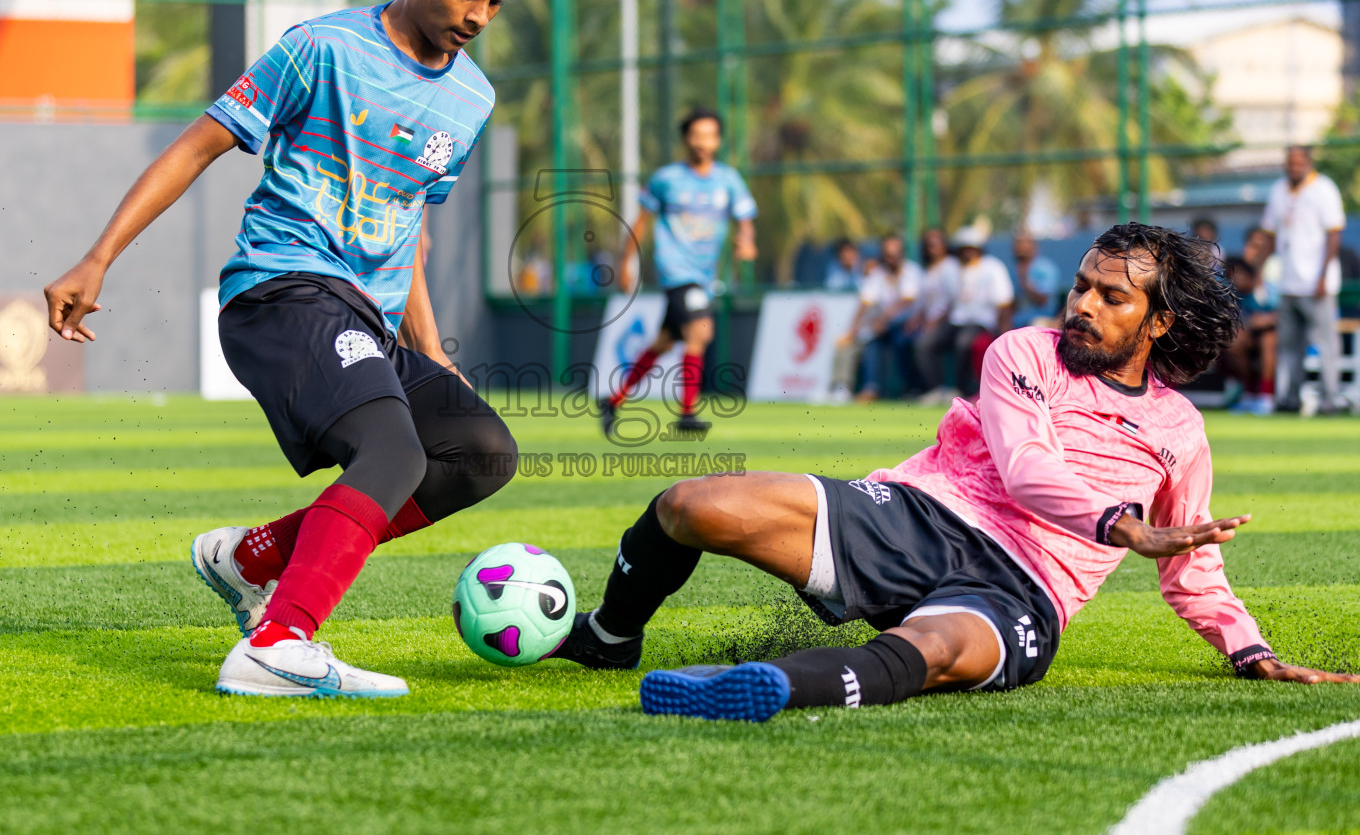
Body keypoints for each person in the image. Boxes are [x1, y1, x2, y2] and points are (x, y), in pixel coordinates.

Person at [548, 224, 1358, 720]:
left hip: (1025, 589)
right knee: (691, 504)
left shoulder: (1179, 428)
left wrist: (1248, 649)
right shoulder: (1023, 351)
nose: (1082, 304)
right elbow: (1026, 465)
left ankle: (760, 687)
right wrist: (1122, 526)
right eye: (1080, 285)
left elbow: (1195, 569)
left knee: (932, 650)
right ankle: (613, 637)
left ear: (1158, 320)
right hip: (918, 515)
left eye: (1110, 297)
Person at [42, 0, 530, 698]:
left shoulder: (470, 98)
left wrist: (433, 351)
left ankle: (253, 561)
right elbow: (196, 148)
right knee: (393, 450)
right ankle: (280, 641)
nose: (478, 16)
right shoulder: (322, 49)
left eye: (496, 2)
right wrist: (98, 258)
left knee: (480, 453)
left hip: (365, 319)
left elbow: (407, 223)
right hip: (282, 293)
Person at [601, 108, 758, 435]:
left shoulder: (728, 180)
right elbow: (641, 223)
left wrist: (746, 241)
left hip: (704, 275)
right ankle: (687, 412)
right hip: (676, 272)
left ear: (718, 140)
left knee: (662, 342)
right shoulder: (667, 179)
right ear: (686, 138)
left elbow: (744, 219)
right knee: (701, 332)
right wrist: (626, 263)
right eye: (697, 135)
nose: (703, 142)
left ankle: (613, 400)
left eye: (710, 135)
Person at [1260, 145, 1347, 414]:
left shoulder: (1324, 189)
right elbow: (1270, 234)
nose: (1293, 168)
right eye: (1290, 163)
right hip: (1288, 283)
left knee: (1325, 344)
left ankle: (1329, 400)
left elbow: (1334, 234)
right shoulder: (1278, 190)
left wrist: (1323, 275)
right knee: (1288, 347)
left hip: (1317, 283)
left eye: (1298, 163)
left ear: (1308, 163)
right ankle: (1290, 398)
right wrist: (1257, 268)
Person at [916, 226, 1014, 401]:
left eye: (972, 248)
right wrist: (933, 322)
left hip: (982, 320)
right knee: (925, 342)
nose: (968, 253)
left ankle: (961, 391)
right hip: (956, 320)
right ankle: (936, 389)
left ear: (979, 249)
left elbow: (1004, 302)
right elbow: (947, 303)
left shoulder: (993, 267)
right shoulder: (949, 270)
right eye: (964, 249)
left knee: (964, 342)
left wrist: (1003, 328)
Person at [829, 234, 921, 402]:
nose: (891, 258)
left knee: (901, 340)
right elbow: (865, 303)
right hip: (884, 326)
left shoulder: (911, 271)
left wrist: (884, 319)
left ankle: (912, 389)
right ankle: (871, 388)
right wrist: (852, 330)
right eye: (887, 254)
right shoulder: (878, 274)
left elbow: (907, 301)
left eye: (895, 254)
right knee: (872, 341)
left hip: (910, 323)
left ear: (902, 254)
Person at [902, 228, 959, 395]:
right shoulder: (928, 270)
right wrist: (916, 319)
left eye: (935, 244)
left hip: (948, 321)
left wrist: (934, 322)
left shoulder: (950, 266)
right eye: (928, 245)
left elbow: (953, 301)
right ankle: (915, 387)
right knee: (903, 340)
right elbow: (923, 302)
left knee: (924, 345)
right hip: (929, 321)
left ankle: (936, 389)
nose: (931, 249)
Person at [1222, 255, 1278, 415]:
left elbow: (1284, 314)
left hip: (1275, 339)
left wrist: (1266, 319)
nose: (1237, 279)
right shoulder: (1229, 296)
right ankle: (1249, 393)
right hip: (1248, 339)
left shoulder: (1266, 291)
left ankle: (1266, 396)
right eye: (1232, 276)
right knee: (1234, 341)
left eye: (1240, 274)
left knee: (1268, 340)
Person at [1010, 230, 1059, 328]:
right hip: (1016, 321)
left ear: (1033, 247)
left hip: (1040, 320)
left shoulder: (1045, 268)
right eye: (1017, 244)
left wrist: (1024, 281)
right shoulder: (1013, 271)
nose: (1019, 248)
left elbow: (1043, 299)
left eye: (1023, 244)